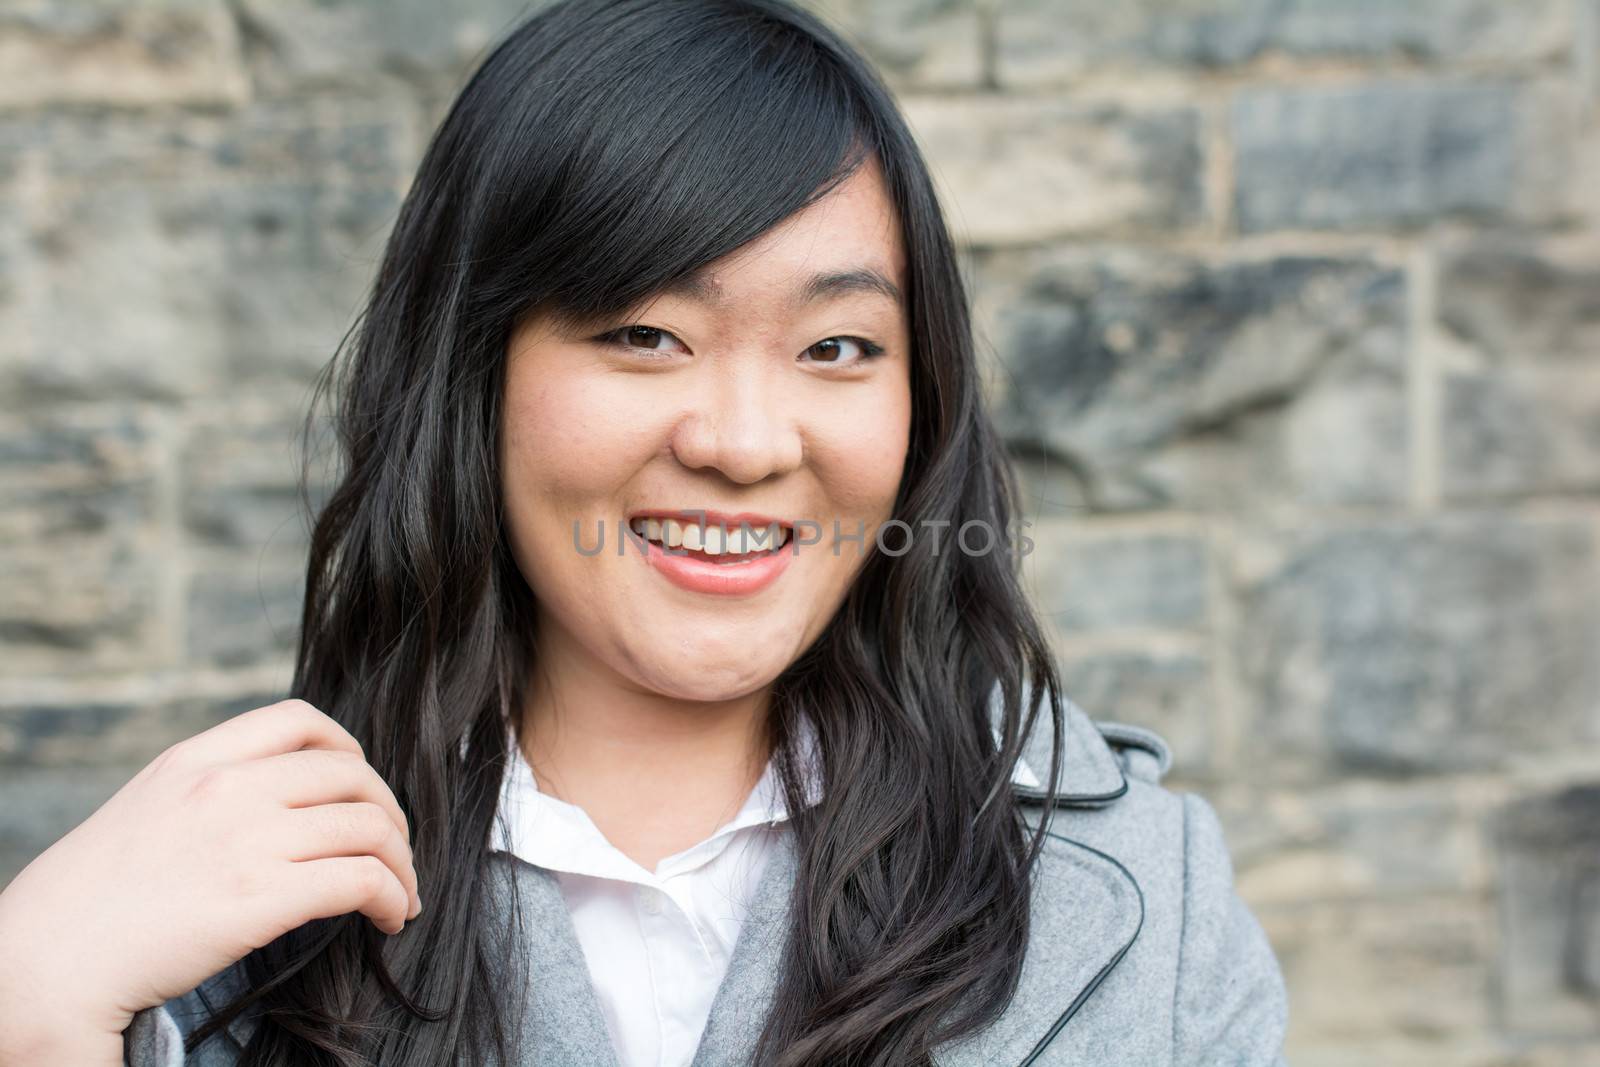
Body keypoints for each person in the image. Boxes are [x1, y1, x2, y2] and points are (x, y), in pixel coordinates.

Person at [0, 0, 1291, 1064]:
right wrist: (35, 1018)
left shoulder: (1137, 894)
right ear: (474, 373)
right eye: (643, 335)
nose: (743, 441)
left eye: (837, 347)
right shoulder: (197, 920)